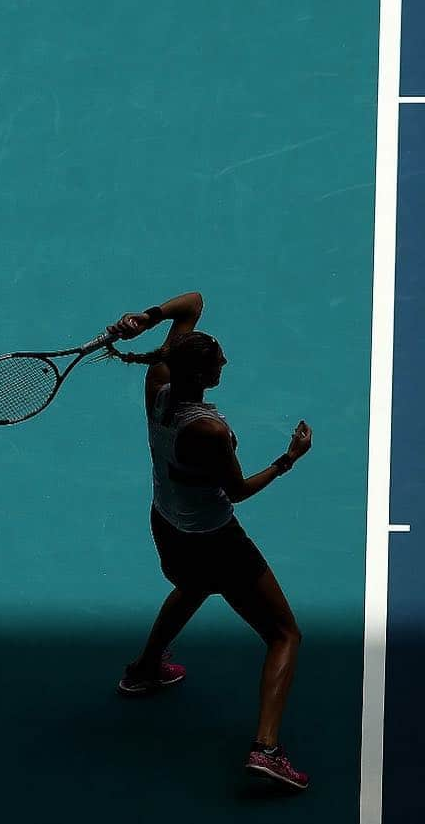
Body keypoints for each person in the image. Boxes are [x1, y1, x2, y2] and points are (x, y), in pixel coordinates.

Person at [103, 291, 313, 790]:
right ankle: (266, 750)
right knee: (285, 635)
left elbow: (192, 302)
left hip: (167, 524)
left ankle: (145, 669)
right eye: (219, 358)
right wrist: (289, 459)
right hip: (216, 539)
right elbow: (236, 492)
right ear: (205, 376)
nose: (225, 360)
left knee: (194, 587)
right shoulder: (211, 431)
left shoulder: (156, 386)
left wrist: (146, 318)